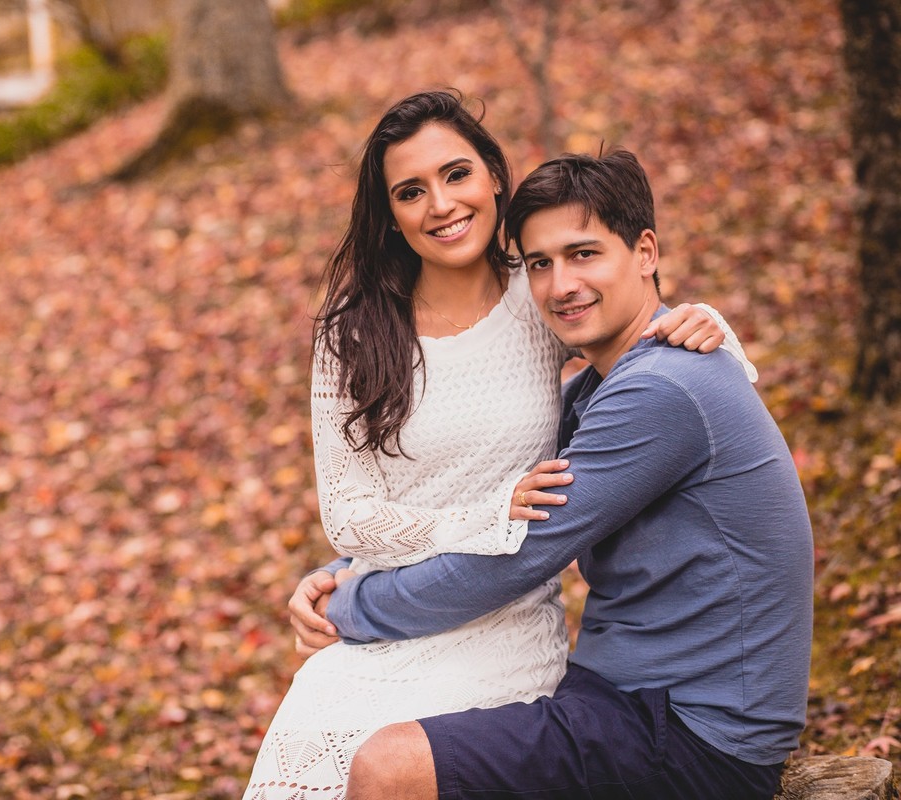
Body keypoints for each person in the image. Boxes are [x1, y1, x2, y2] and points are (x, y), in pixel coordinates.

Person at [242, 91, 747, 800]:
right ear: (389, 214)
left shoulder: (538, 293)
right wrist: (351, 572)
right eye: (411, 191)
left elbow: (635, 337)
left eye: (456, 175)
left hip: (505, 619)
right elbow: (350, 512)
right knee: (302, 762)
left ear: (494, 177)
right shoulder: (351, 333)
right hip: (390, 611)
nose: (441, 204)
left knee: (391, 768)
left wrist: (704, 320)